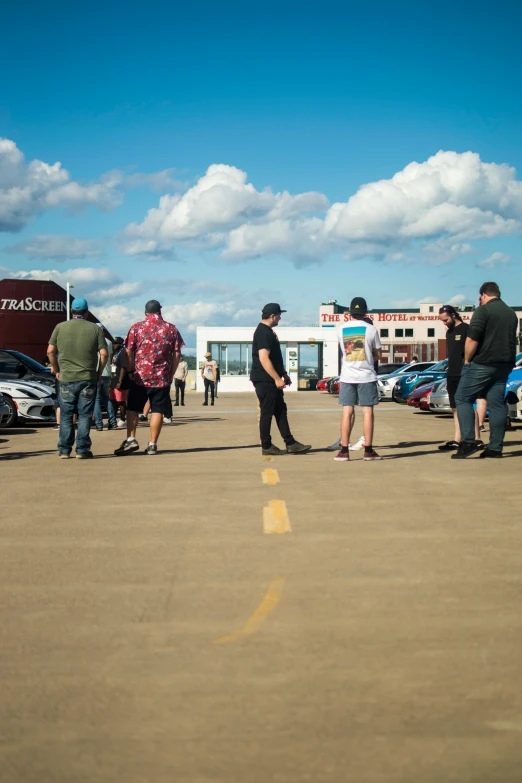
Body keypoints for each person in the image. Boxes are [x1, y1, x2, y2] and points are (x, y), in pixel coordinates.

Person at [453, 282, 518, 459]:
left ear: (483, 295)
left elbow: (472, 338)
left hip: (483, 363)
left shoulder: (483, 310)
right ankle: (495, 448)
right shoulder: (511, 313)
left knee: (462, 398)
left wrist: (467, 359)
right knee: (496, 403)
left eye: (479, 297)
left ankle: (468, 442)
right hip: (504, 364)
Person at [114, 300, 184, 456]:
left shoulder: (137, 327)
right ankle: (152, 444)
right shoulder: (171, 329)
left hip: (140, 377)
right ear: (160, 311)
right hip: (161, 378)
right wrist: (171, 374)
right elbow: (177, 353)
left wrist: (131, 371)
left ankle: (131, 439)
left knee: (133, 408)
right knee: (158, 410)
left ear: (145, 312)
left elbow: (128, 351)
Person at [47, 297, 108, 459]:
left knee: (66, 415)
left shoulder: (60, 327)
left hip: (66, 378)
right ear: (86, 312)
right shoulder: (95, 329)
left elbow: (50, 352)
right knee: (85, 415)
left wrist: (57, 369)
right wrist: (99, 372)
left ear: (71, 311)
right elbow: (104, 353)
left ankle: (64, 450)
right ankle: (82, 450)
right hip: (88, 377)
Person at [250, 303, 311, 456]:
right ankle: (266, 445)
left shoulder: (268, 332)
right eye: (278, 315)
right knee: (267, 412)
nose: (280, 317)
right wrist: (277, 378)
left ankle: (290, 443)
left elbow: (274, 358)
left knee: (280, 411)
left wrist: (283, 374)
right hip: (265, 380)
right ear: (272, 316)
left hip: (271, 379)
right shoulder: (263, 332)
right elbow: (264, 358)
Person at [334, 296, 382, 461]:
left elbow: (342, 351)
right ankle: (368, 450)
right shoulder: (371, 329)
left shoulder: (341, 329)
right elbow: (377, 354)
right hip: (366, 376)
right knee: (367, 412)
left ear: (349, 312)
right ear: (365, 312)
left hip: (347, 376)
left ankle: (344, 451)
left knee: (347, 412)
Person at [437, 305, 483, 451]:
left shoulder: (466, 329)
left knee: (468, 405)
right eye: (442, 321)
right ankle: (457, 439)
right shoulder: (449, 332)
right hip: (452, 373)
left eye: (445, 320)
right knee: (455, 408)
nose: (444, 323)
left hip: (465, 372)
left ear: (453, 315)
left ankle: (477, 439)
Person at [93, 323, 117, 431]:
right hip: (106, 374)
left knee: (96, 399)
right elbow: (111, 358)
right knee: (106, 398)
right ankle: (112, 421)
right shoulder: (108, 342)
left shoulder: (93, 341)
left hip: (96, 373)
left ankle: (99, 423)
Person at [109, 337, 129, 428]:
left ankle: (122, 419)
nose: (114, 345)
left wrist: (120, 381)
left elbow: (123, 368)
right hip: (113, 379)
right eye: (113, 343)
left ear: (121, 344)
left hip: (119, 380)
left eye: (116, 343)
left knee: (120, 400)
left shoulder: (123, 353)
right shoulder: (114, 353)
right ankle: (113, 419)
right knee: (113, 400)